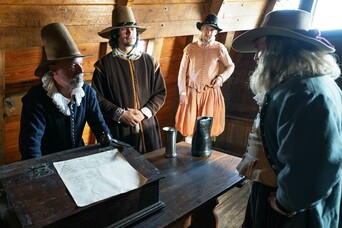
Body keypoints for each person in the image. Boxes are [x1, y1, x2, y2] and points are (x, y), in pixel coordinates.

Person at [232, 9, 342, 228]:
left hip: (294, 213)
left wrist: (285, 203)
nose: (256, 56)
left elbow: (314, 168)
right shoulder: (297, 86)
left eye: (260, 47)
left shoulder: (306, 92)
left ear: (278, 48)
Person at [19, 23, 111, 160]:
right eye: (73, 66)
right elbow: (31, 146)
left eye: (80, 64)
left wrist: (108, 148)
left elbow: (100, 128)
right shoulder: (36, 98)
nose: (80, 71)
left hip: (79, 157)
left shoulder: (87, 93)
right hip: (48, 163)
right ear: (54, 69)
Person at [92, 6, 167, 154]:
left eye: (133, 29)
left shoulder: (150, 62)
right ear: (115, 35)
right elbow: (96, 98)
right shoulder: (104, 65)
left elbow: (160, 93)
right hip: (119, 131)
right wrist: (120, 113)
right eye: (124, 29)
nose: (129, 32)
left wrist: (144, 113)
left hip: (148, 128)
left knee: (153, 169)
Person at [175, 13, 235, 143]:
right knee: (189, 128)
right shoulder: (190, 48)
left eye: (212, 30)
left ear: (216, 33)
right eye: (206, 29)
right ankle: (187, 157)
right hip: (191, 93)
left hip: (210, 93)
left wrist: (220, 79)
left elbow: (230, 66)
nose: (208, 32)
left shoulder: (219, 48)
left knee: (207, 129)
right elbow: (181, 72)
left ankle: (202, 156)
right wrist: (182, 92)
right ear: (201, 29)